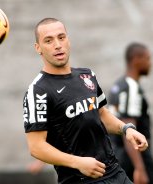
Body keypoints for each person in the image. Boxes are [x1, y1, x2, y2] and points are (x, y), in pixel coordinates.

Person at [22, 17, 149, 184]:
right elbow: (36, 147)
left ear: (68, 40)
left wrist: (126, 129)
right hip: (80, 179)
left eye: (61, 37)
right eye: (48, 40)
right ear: (38, 48)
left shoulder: (87, 75)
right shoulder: (37, 91)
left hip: (116, 173)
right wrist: (77, 162)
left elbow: (101, 114)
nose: (57, 45)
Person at [108, 42, 153, 184]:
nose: (149, 63)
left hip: (117, 157)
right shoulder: (131, 88)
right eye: (147, 58)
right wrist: (140, 168)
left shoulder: (118, 85)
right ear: (136, 60)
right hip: (131, 159)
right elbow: (129, 129)